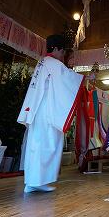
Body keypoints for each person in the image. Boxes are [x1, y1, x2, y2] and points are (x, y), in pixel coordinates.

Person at [18, 34, 84, 193]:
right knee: (47, 144)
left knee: (36, 145)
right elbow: (68, 82)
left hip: (36, 110)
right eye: (62, 52)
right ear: (55, 48)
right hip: (47, 111)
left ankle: (33, 181)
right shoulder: (54, 64)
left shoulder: (42, 62)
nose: (62, 56)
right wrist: (84, 79)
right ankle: (37, 181)